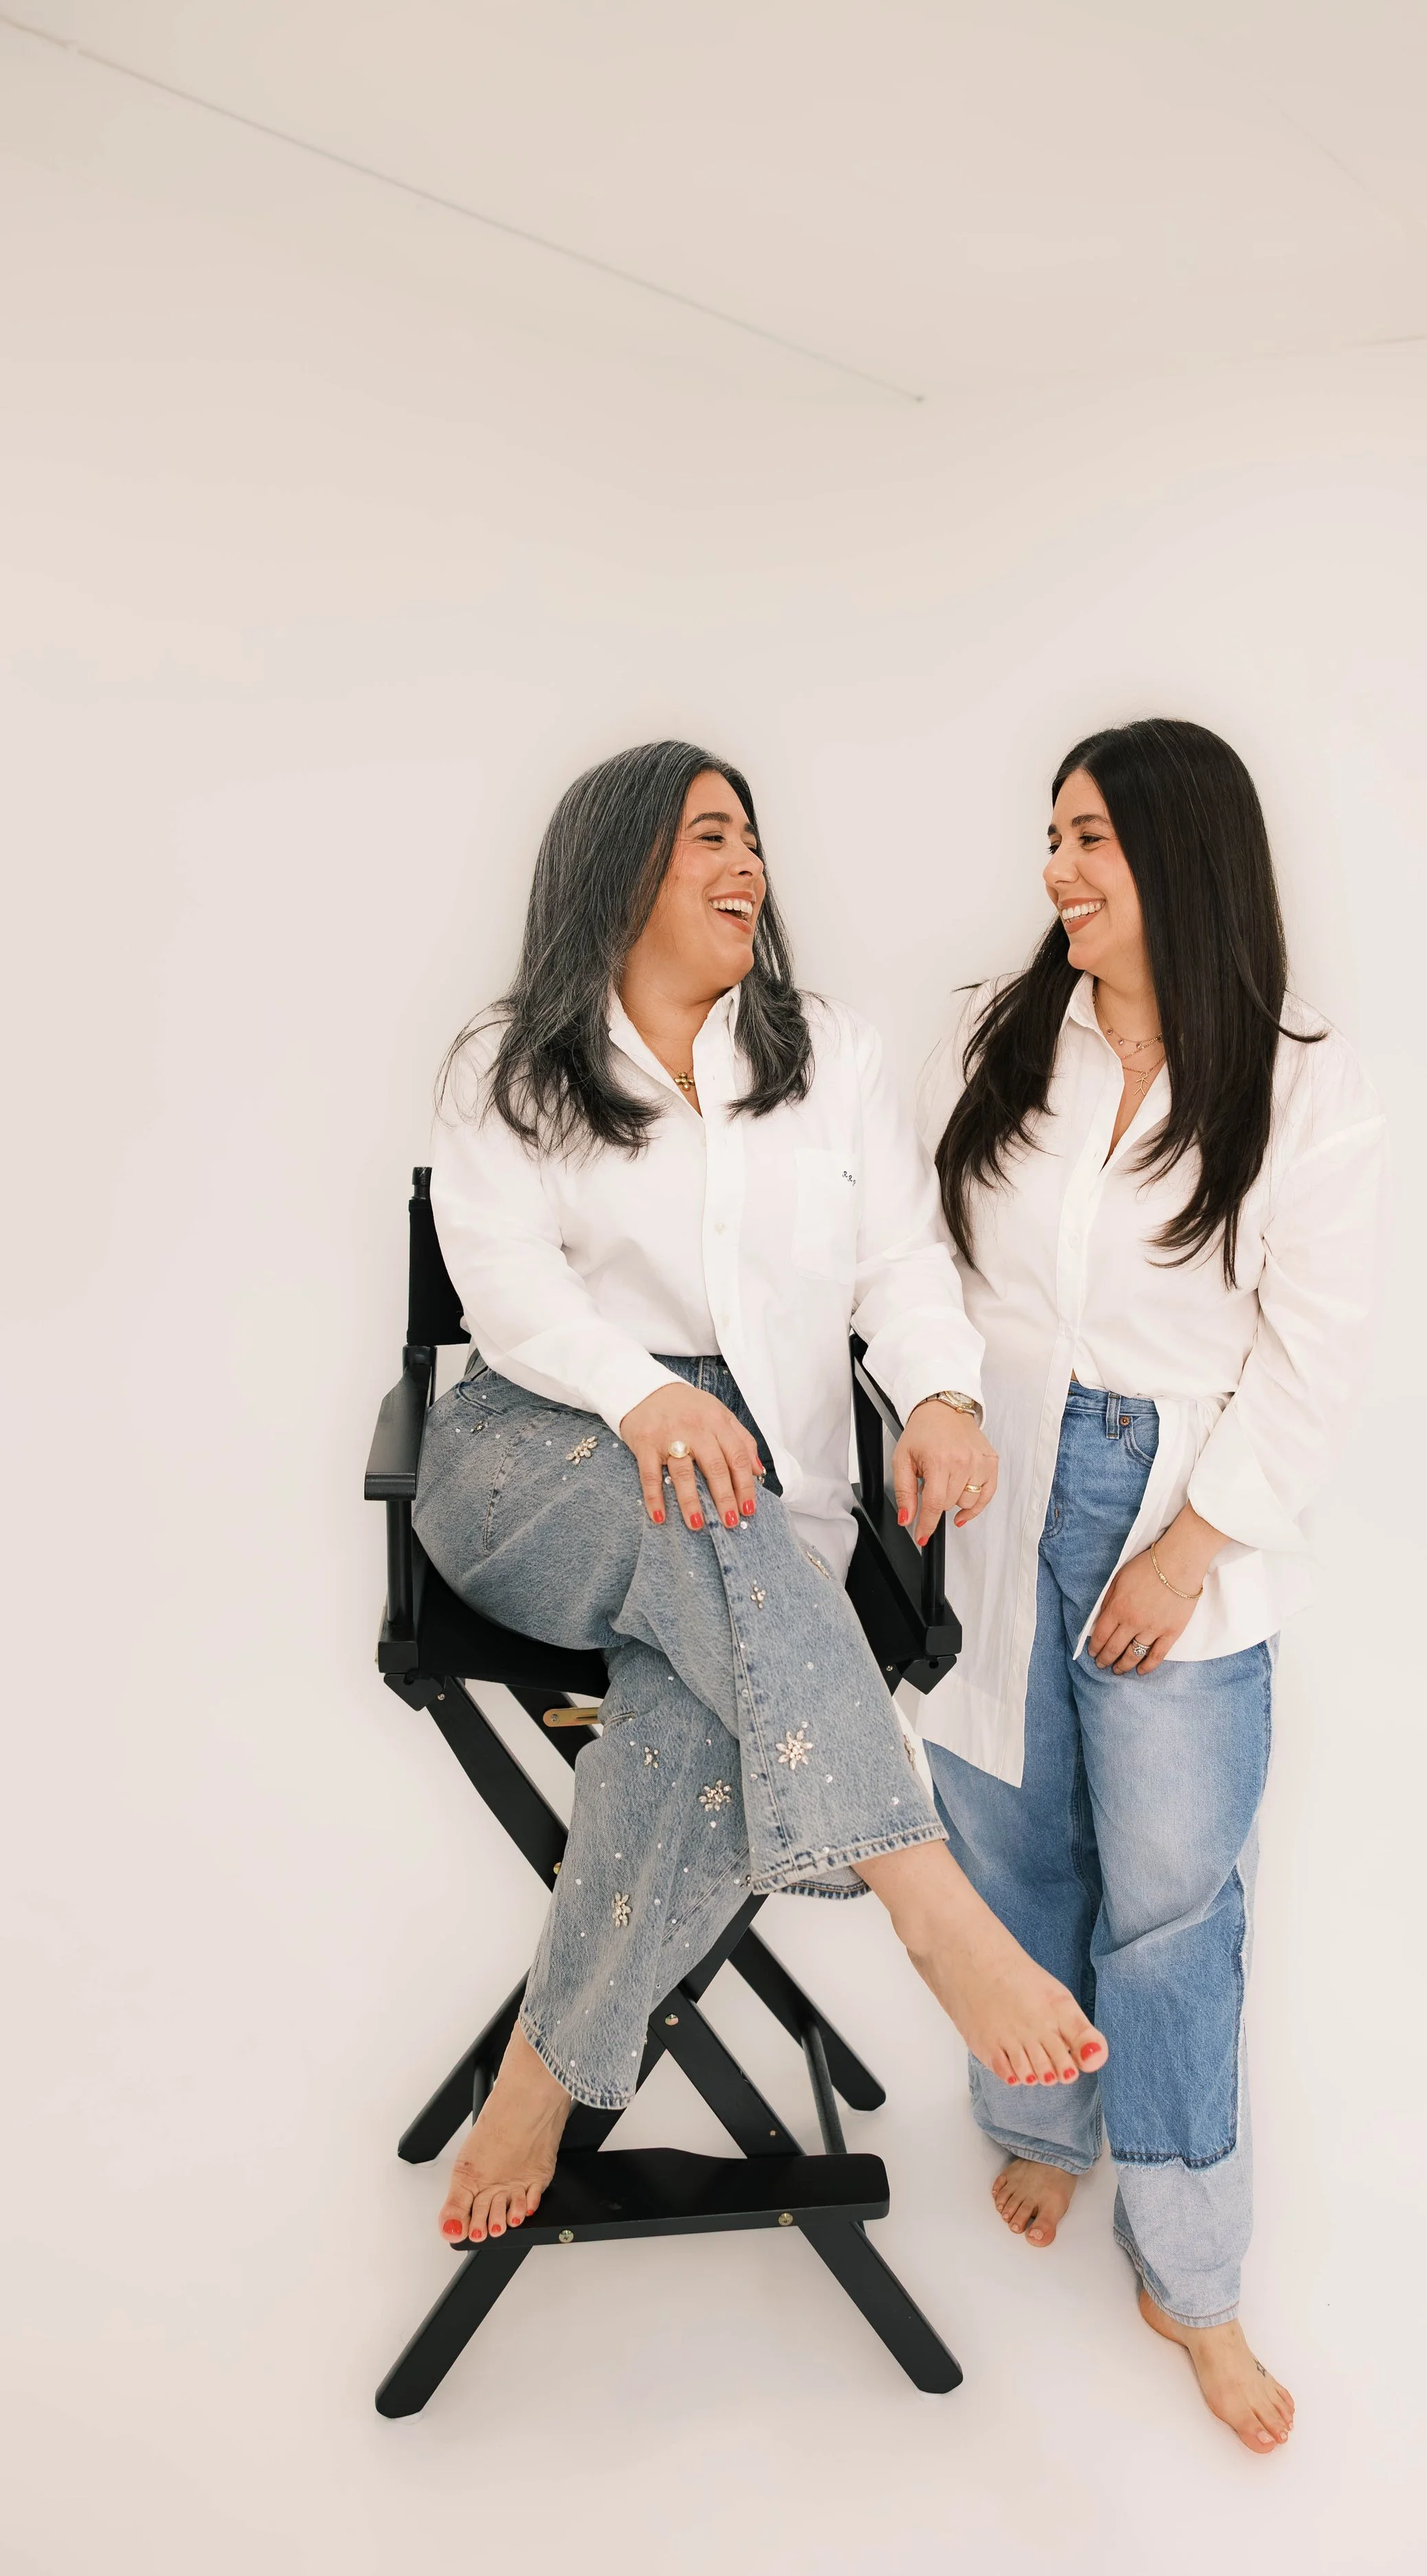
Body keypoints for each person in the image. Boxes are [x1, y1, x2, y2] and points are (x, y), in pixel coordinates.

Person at [413, 738, 1108, 2249]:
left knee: (691, 1717)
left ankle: (546, 2073)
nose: (747, 866)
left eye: (750, 838)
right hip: (538, 1451)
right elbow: (506, 1284)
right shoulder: (509, 1061)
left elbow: (903, 1261)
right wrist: (643, 1393)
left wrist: (934, 1393)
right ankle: (932, 1911)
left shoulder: (828, 1055)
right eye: (706, 838)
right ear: (614, 872)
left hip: (747, 1496)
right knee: (716, 1541)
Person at [920, 719, 1385, 2454]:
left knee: (1173, 1903)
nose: (1057, 870)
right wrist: (936, 1420)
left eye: (1092, 840)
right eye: (1052, 834)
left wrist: (1193, 1539)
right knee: (1005, 1829)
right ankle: (1038, 2126)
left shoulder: (1300, 1083)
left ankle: (1189, 2272)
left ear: (1180, 859)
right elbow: (917, 1250)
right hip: (992, 1472)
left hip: (1171, 1496)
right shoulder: (1000, 1032)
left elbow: (1313, 1360)